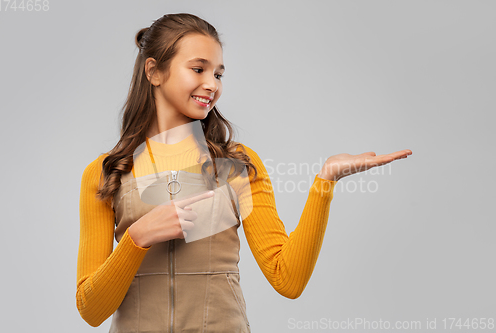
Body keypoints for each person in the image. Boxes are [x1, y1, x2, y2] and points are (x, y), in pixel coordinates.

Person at [76, 13, 412, 333]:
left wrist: (325, 181)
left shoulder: (238, 165)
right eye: (198, 69)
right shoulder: (106, 174)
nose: (211, 84)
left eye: (218, 74)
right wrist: (137, 238)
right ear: (154, 71)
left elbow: (288, 279)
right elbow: (91, 311)